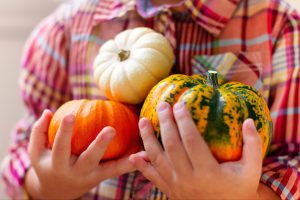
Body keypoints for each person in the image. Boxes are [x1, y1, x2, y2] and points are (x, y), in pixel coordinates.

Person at [1, 0, 299, 199]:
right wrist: (49, 185)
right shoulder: (63, 32)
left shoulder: (280, 29)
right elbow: (22, 155)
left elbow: (294, 158)